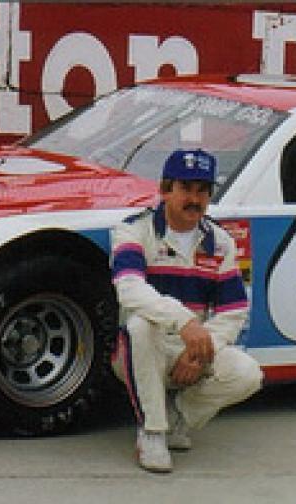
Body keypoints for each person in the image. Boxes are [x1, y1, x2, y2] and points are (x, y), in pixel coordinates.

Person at [108, 149, 263, 473]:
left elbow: (233, 312)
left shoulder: (220, 241)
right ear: (165, 190)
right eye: (186, 189)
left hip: (189, 346)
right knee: (141, 326)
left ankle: (177, 418)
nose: (195, 199)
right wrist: (185, 322)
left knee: (248, 373)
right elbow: (129, 288)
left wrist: (200, 352)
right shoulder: (133, 230)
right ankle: (152, 431)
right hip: (139, 348)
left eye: (202, 190)